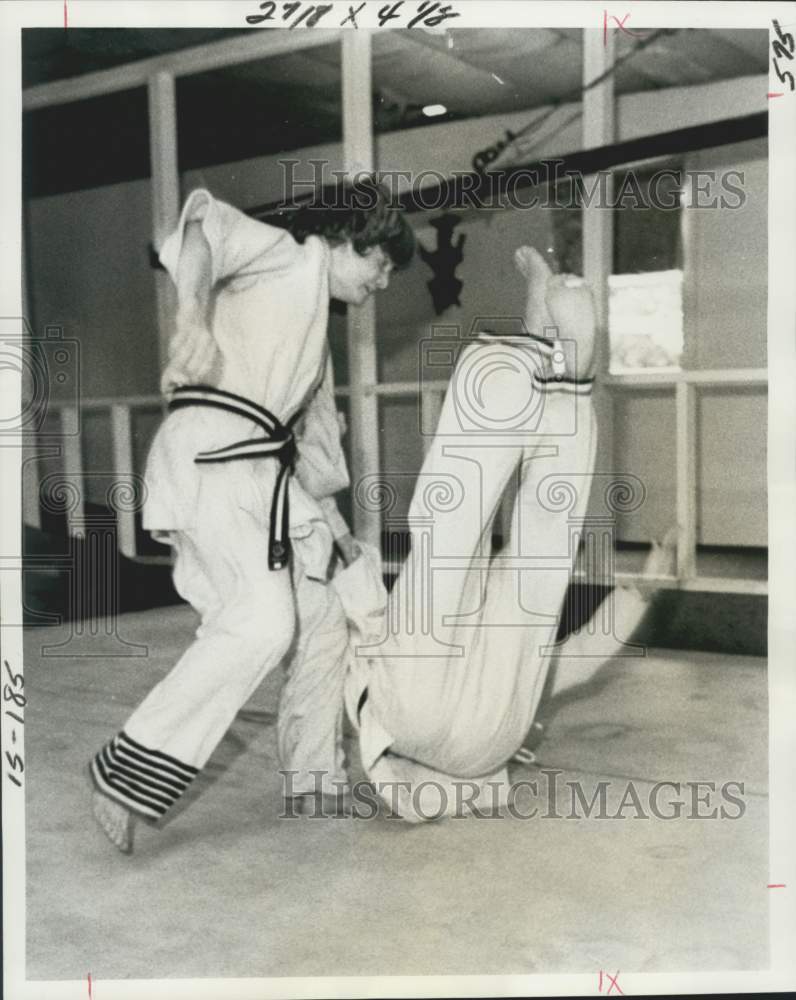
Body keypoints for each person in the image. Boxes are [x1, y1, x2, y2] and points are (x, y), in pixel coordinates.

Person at [89, 179, 415, 852]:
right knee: (264, 622)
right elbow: (201, 228)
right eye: (382, 263)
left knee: (322, 612)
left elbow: (312, 447)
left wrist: (334, 529)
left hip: (259, 476)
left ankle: (313, 777)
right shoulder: (288, 257)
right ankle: (126, 771)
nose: (383, 282)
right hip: (216, 458)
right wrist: (188, 320)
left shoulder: (311, 338)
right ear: (353, 240)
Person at [336, 246, 675, 822]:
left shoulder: (491, 656)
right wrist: (350, 570)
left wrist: (643, 592)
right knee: (453, 538)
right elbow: (366, 625)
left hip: (487, 747)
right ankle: (541, 353)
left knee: (532, 563)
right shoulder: (471, 638)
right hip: (419, 717)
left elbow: (578, 660)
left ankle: (561, 370)